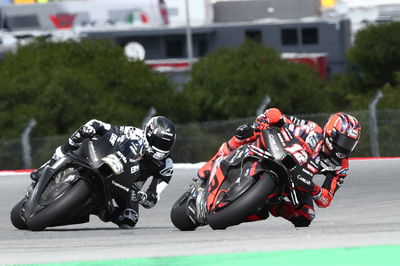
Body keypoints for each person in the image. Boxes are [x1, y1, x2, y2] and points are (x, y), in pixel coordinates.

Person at [198, 108, 361, 227]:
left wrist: (312, 188)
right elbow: (280, 116)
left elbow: (326, 199)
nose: (344, 148)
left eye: (350, 144)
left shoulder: (340, 166)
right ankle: (215, 161)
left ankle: (264, 205)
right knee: (248, 132)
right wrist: (266, 119)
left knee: (306, 215)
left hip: (298, 179)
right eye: (343, 141)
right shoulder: (312, 129)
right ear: (331, 132)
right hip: (278, 150)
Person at [30, 116, 176, 229]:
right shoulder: (133, 133)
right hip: (104, 161)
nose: (161, 147)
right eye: (159, 142)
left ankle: (101, 210)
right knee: (80, 136)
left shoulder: (166, 165)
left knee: (129, 220)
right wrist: (91, 129)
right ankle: (52, 162)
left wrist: (141, 197)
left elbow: (154, 197)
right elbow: (103, 126)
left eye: (166, 144)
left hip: (127, 189)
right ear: (148, 134)